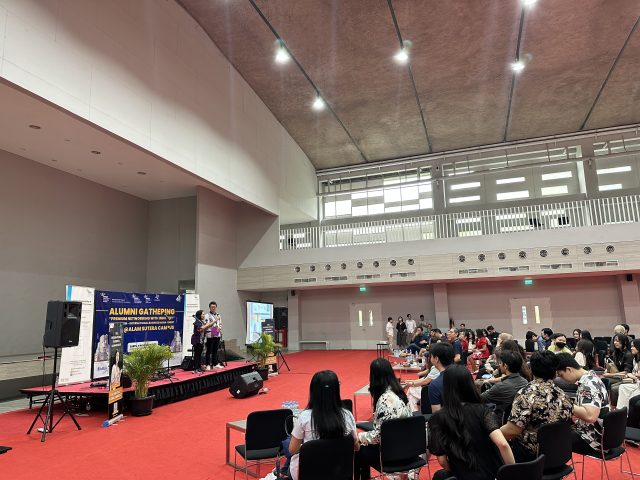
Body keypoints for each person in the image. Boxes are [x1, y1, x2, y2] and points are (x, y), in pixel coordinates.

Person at [428, 365, 515, 480]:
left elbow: (442, 461)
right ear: (470, 384)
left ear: (446, 387)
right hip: (491, 473)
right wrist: (511, 473)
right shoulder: (482, 411)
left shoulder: (437, 418)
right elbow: (503, 444)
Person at [500, 351, 573, 462]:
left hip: (533, 457)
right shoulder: (564, 395)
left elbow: (512, 431)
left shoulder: (526, 394)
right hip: (560, 453)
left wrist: (493, 434)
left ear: (531, 370)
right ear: (555, 373)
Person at [288, 370, 358, 480]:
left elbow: (292, 450)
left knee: (289, 451)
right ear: (336, 391)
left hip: (310, 474)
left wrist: (309, 447)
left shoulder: (304, 417)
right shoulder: (347, 415)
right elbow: (356, 446)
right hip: (339, 472)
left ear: (313, 391)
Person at [355, 358, 411, 480]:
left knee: (358, 448)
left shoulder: (385, 400)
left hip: (393, 454)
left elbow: (379, 436)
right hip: (409, 448)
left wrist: (359, 437)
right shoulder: (400, 393)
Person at [555, 353, 609, 456]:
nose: (562, 379)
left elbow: (590, 416)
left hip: (592, 439)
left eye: (561, 375)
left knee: (550, 439)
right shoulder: (590, 378)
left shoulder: (588, 385)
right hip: (594, 433)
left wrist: (565, 403)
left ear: (569, 369)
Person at [480, 350, 528, 419]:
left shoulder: (500, 387)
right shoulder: (525, 382)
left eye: (500, 363)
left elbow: (480, 399)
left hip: (501, 419)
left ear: (505, 366)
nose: (499, 365)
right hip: (516, 417)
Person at [428, 342, 455, 412]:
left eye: (431, 356)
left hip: (447, 418)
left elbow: (437, 414)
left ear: (436, 359)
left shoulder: (435, 385)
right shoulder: (465, 373)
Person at [617, 339, 640, 411]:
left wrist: (631, 375)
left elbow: (637, 375)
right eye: (631, 346)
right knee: (622, 387)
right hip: (637, 383)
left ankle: (628, 412)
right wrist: (631, 375)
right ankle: (621, 411)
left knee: (632, 397)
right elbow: (635, 374)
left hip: (638, 384)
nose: (631, 348)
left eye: (633, 346)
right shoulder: (635, 359)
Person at [204, 301, 223, 369]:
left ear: (216, 307)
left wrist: (219, 328)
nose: (213, 308)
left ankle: (215, 363)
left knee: (215, 349)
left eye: (214, 307)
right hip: (210, 332)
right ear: (209, 308)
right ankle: (207, 364)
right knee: (209, 350)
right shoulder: (207, 315)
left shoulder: (218, 315)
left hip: (217, 332)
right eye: (212, 307)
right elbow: (206, 324)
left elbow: (220, 323)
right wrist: (213, 328)